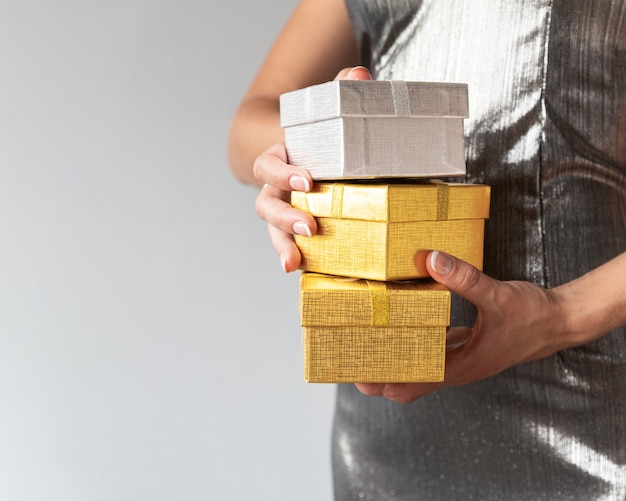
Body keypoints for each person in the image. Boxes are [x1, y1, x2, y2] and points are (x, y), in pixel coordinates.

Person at [228, 1, 626, 499]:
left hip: (595, 406)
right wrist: (311, 150)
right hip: (391, 407)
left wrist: (561, 316)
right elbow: (250, 121)